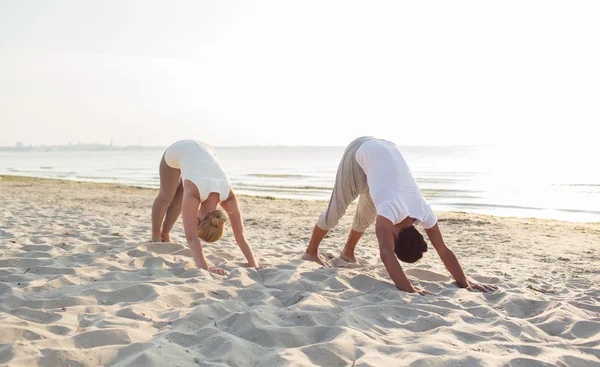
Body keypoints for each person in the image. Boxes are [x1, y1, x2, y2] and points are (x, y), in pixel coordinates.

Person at [303, 136, 497, 295]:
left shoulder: (423, 210)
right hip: (361, 151)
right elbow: (386, 253)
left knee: (367, 215)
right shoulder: (390, 208)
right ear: (395, 238)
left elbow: (443, 250)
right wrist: (409, 289)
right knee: (336, 212)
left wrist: (465, 282)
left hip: (384, 153)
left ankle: (347, 253)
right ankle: (311, 252)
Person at [151, 139, 261, 275]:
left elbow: (241, 235)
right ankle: (156, 234)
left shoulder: (228, 195)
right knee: (166, 197)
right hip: (179, 150)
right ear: (198, 221)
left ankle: (166, 233)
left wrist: (254, 264)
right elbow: (191, 238)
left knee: (180, 199)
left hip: (206, 151)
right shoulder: (194, 192)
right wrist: (205, 268)